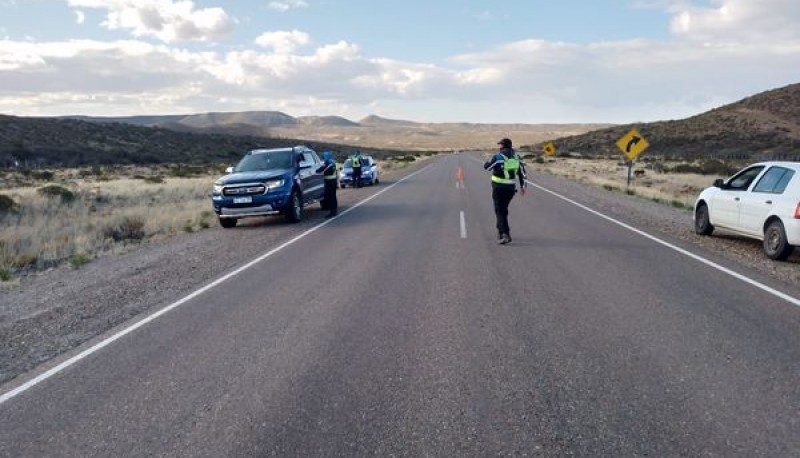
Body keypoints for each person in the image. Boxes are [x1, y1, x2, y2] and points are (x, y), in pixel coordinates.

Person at [484, 138, 527, 244]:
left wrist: (487, 162)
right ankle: (500, 230)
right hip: (510, 189)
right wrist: (523, 187)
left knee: (499, 210)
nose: (499, 147)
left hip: (498, 187)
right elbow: (522, 174)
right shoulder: (517, 157)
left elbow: (488, 168)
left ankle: (505, 234)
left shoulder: (498, 157)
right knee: (503, 209)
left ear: (503, 146)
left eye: (501, 145)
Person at [317, 151, 338, 217]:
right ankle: (334, 210)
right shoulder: (333, 162)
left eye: (324, 156)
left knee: (330, 197)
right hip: (333, 181)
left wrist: (316, 171)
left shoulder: (328, 163)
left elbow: (321, 170)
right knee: (333, 196)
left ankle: (332, 212)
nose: (324, 157)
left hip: (330, 182)